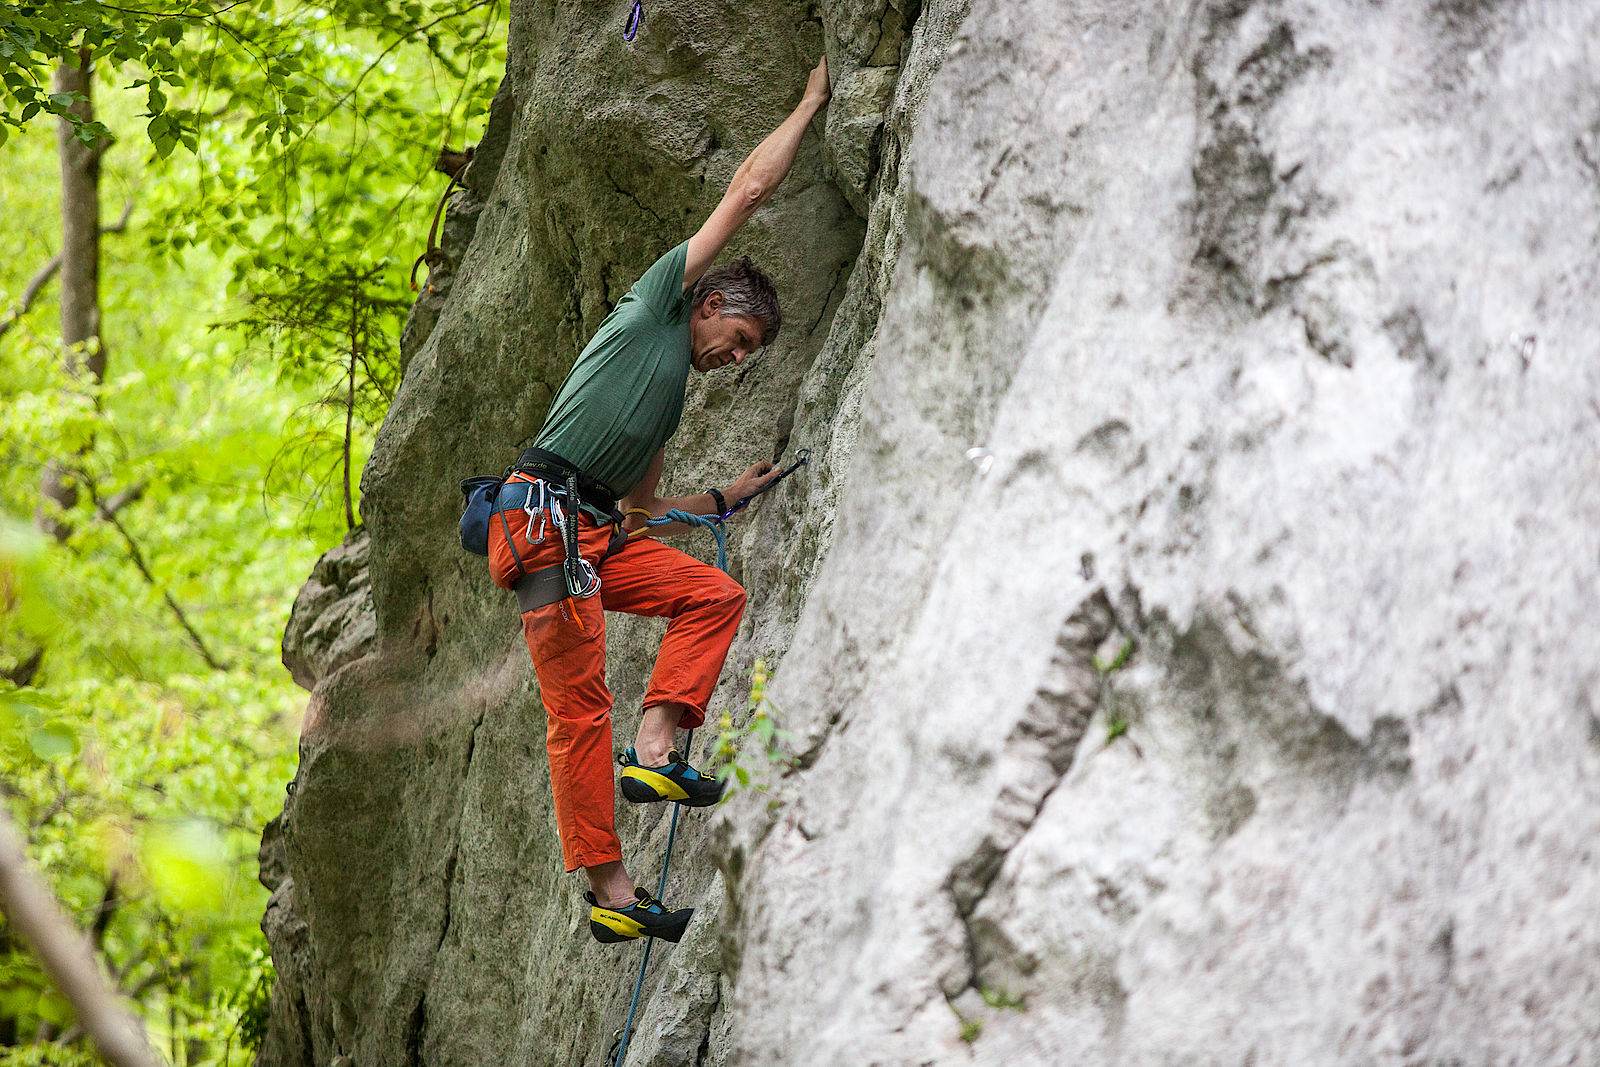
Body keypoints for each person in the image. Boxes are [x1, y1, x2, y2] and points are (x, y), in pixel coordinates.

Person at [488, 57, 831, 945]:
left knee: (713, 594)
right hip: (539, 525)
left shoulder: (668, 396)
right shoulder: (654, 309)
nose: (735, 356)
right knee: (577, 706)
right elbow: (749, 189)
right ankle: (613, 892)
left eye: (748, 354)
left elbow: (639, 510)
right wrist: (809, 101)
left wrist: (720, 498)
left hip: (594, 528)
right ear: (709, 302)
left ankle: (654, 759)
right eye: (739, 338)